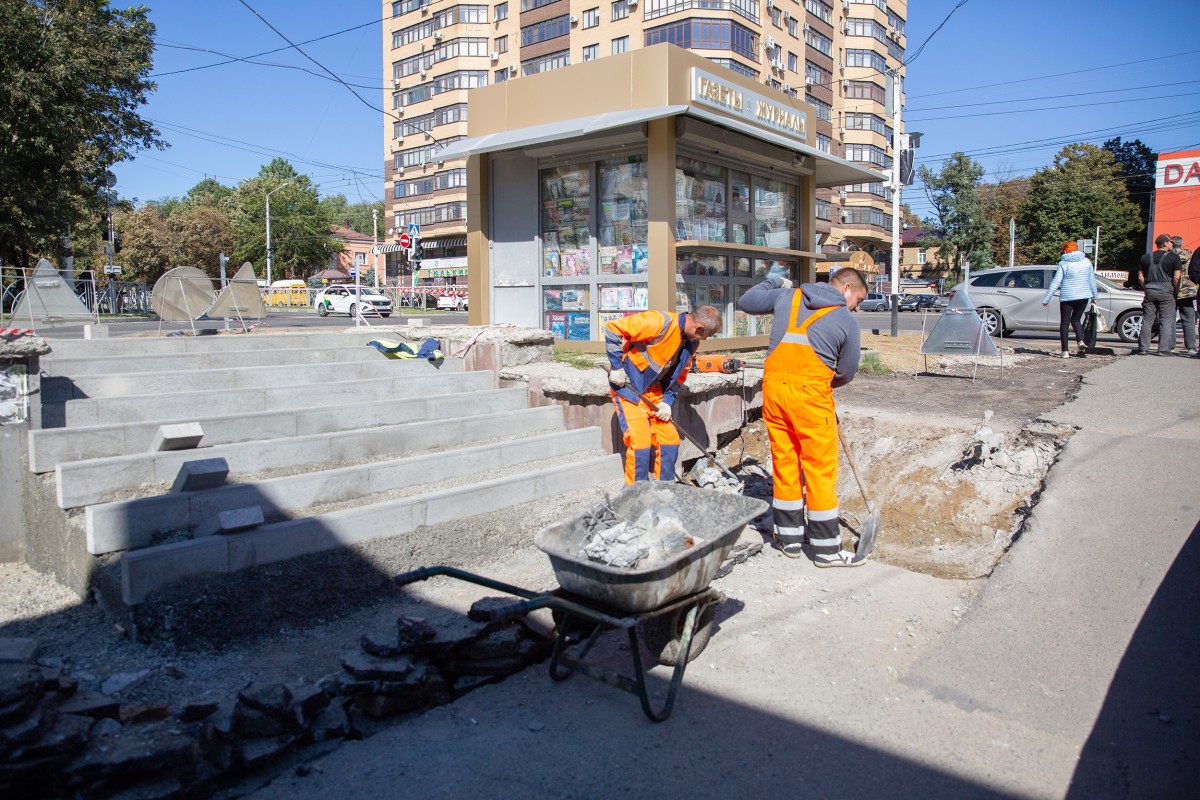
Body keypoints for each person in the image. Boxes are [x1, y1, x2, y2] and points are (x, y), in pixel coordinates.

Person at [737, 268, 869, 567]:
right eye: (858, 299)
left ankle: (789, 540)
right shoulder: (845, 319)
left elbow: (747, 300)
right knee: (819, 470)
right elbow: (846, 372)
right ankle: (826, 550)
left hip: (774, 392)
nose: (857, 307)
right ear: (846, 288)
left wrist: (776, 280)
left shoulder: (787, 297)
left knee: (785, 464)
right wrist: (821, 384)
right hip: (810, 398)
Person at [605, 305, 722, 483]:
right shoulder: (659, 322)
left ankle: (664, 492)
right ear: (699, 328)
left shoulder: (692, 343)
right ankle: (636, 497)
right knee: (640, 445)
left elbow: (679, 377)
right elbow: (613, 328)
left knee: (670, 442)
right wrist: (617, 368)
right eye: (706, 335)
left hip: (655, 393)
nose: (705, 339)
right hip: (629, 390)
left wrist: (667, 401)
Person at [1041, 241, 1098, 358]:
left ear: (1066, 251)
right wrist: (1094, 297)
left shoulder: (1064, 263)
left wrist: (1046, 299)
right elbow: (1092, 280)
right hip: (1083, 296)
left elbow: (1056, 282)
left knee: (1065, 322)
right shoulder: (1087, 263)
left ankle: (1065, 351)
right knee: (1076, 320)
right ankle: (1080, 341)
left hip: (1067, 297)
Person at [1134, 234, 1181, 355]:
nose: (1172, 244)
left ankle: (1143, 348)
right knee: (1166, 320)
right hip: (1166, 291)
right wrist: (1175, 291)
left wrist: (1147, 288)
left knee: (1147, 320)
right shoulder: (1174, 257)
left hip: (1150, 290)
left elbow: (1140, 277)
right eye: (1170, 242)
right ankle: (1163, 349)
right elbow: (1176, 278)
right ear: (1165, 243)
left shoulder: (1145, 257)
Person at [1171, 236, 1196, 356]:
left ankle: (1170, 346)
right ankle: (1191, 347)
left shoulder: (1168, 255)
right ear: (1182, 243)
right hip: (1187, 291)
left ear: (1171, 243)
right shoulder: (1190, 254)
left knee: (1169, 319)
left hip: (1171, 291)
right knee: (1189, 320)